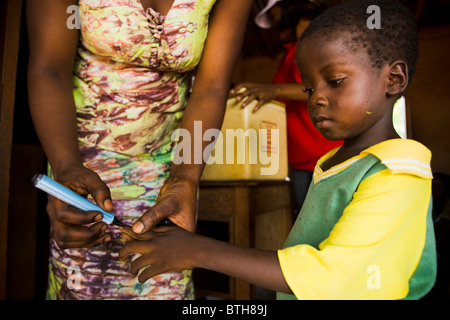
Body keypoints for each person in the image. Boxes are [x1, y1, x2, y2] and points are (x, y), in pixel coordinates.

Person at [119, 0, 437, 300]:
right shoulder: (335, 162)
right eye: (309, 89)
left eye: (336, 81)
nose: (316, 99)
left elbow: (335, 278)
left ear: (393, 79)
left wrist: (199, 251)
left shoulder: (397, 172)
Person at [27, 0, 252, 300]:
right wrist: (66, 167)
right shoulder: (73, 170)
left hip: (170, 174)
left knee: (166, 284)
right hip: (81, 170)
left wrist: (185, 179)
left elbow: (211, 87)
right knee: (84, 287)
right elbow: (49, 69)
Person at [231, 3, 342, 213]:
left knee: (324, 220)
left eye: (274, 14)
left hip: (321, 150)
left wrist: (274, 90)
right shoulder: (291, 52)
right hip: (299, 154)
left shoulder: (310, 39)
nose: (273, 23)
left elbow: (320, 88)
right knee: (305, 218)